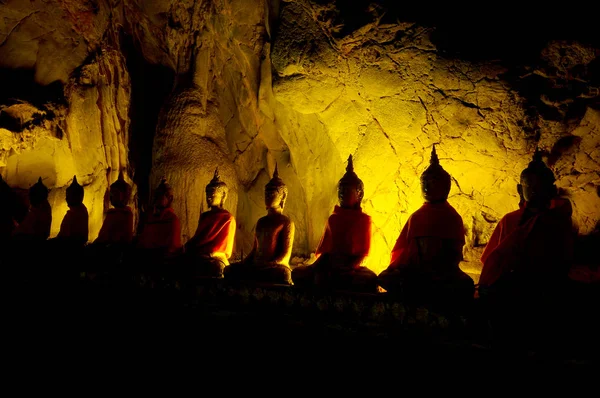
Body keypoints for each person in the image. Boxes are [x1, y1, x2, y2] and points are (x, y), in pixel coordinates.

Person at [378, 145, 474, 307]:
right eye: (424, 183)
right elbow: (403, 251)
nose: (427, 187)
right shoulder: (416, 217)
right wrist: (403, 269)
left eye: (433, 183)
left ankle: (419, 292)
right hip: (416, 273)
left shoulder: (452, 217)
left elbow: (455, 254)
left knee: (465, 285)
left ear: (445, 187)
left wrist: (439, 270)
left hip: (442, 275)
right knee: (384, 277)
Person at [292, 155, 378, 293]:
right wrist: (321, 266)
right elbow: (326, 252)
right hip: (330, 265)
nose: (342, 194)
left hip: (350, 268)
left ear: (359, 194)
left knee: (370, 280)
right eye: (340, 191)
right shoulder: (334, 218)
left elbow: (363, 254)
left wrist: (349, 267)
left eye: (346, 190)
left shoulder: (364, 220)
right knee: (298, 273)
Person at [225, 164, 294, 285]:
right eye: (266, 193)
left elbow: (285, 256)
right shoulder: (261, 222)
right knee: (229, 270)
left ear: (282, 196)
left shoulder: (286, 222)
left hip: (273, 267)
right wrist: (244, 263)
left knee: (284, 274)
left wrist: (269, 264)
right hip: (257, 266)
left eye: (271, 193)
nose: (267, 196)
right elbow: (255, 250)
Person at [184, 168, 236, 278]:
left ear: (223, 196)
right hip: (200, 255)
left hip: (214, 258)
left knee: (216, 267)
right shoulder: (204, 216)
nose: (208, 197)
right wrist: (188, 246)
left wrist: (208, 253)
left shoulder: (228, 218)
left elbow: (224, 249)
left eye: (212, 194)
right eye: (207, 193)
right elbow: (198, 238)